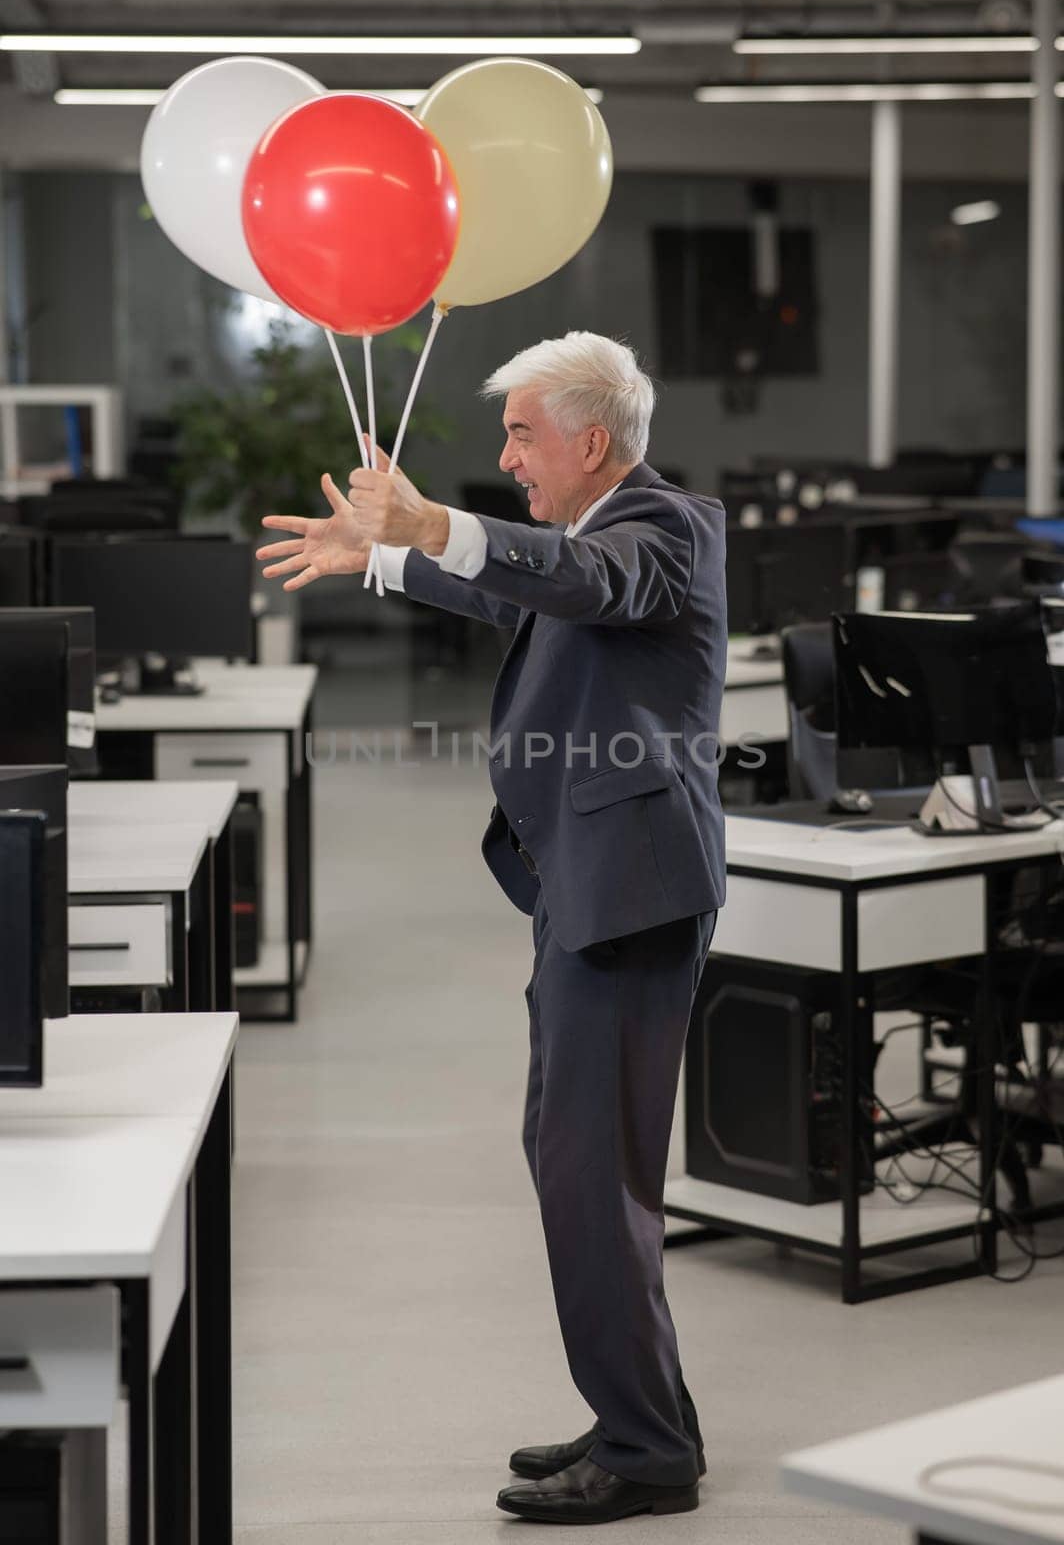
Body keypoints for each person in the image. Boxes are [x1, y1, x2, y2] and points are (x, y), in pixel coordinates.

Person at [257, 331, 727, 1526]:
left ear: (589, 439)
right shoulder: (587, 528)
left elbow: (584, 584)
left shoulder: (662, 529)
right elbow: (518, 583)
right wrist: (387, 555)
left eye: (521, 433)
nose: (508, 457)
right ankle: (644, 1409)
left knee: (588, 1173)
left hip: (626, 891)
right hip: (591, 883)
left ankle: (643, 1449)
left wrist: (428, 525)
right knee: (574, 1159)